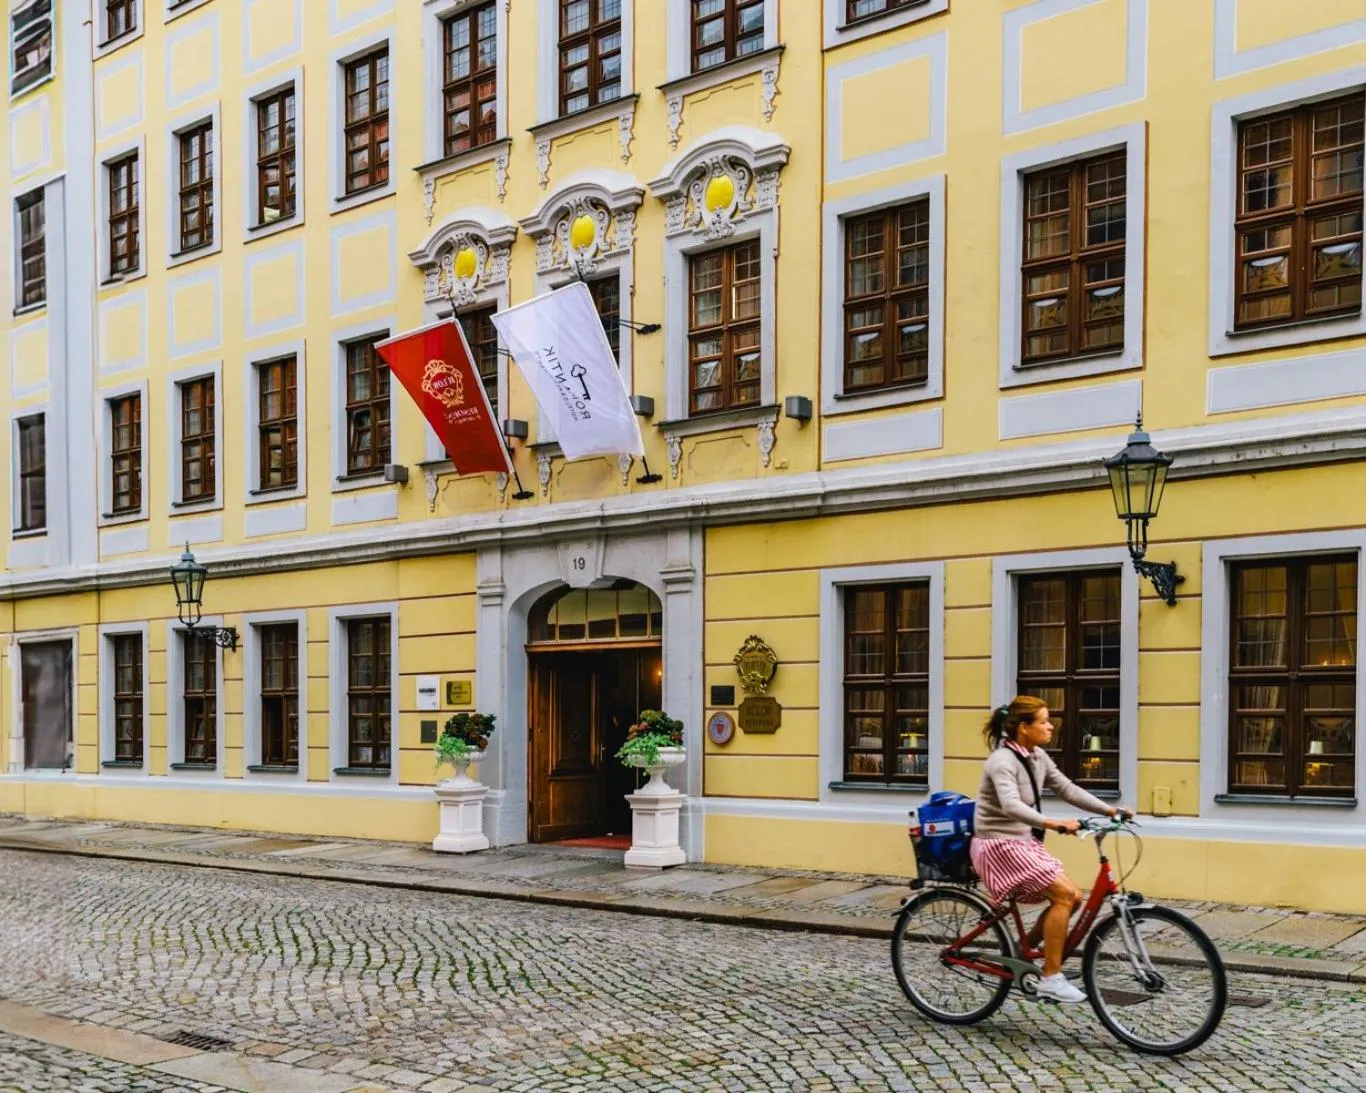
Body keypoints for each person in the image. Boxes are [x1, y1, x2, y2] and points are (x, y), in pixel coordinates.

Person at [971, 695, 1133, 1004]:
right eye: (1044, 721)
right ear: (1024, 727)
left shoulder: (1038, 757)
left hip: (1021, 841)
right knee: (1063, 895)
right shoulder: (1001, 761)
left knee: (1074, 898)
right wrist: (1054, 824)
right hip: (997, 844)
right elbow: (1011, 805)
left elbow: (1066, 789)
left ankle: (1022, 951)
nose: (1050, 727)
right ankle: (1051, 977)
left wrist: (1110, 810)